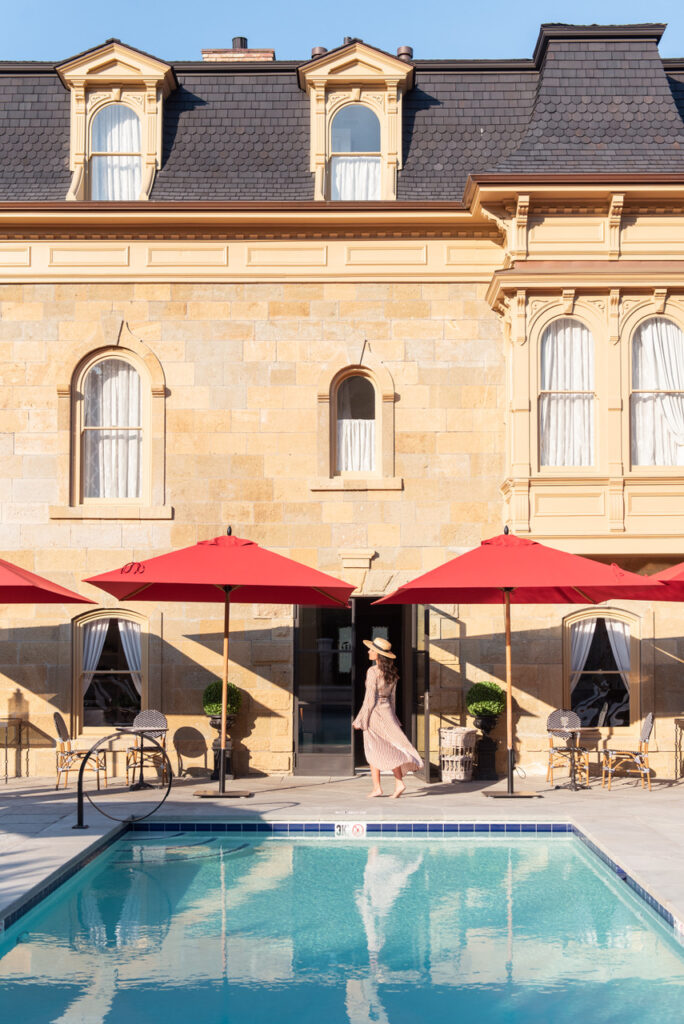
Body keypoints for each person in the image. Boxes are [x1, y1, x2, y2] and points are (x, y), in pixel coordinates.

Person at [352, 636, 424, 798]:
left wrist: (360, 719)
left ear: (378, 654)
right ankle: (398, 783)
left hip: (375, 714)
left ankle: (378, 788)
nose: (369, 651)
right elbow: (392, 699)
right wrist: (393, 717)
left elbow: (369, 699)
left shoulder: (372, 671)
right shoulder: (393, 674)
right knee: (391, 747)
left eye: (372, 650)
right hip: (387, 713)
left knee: (372, 749)